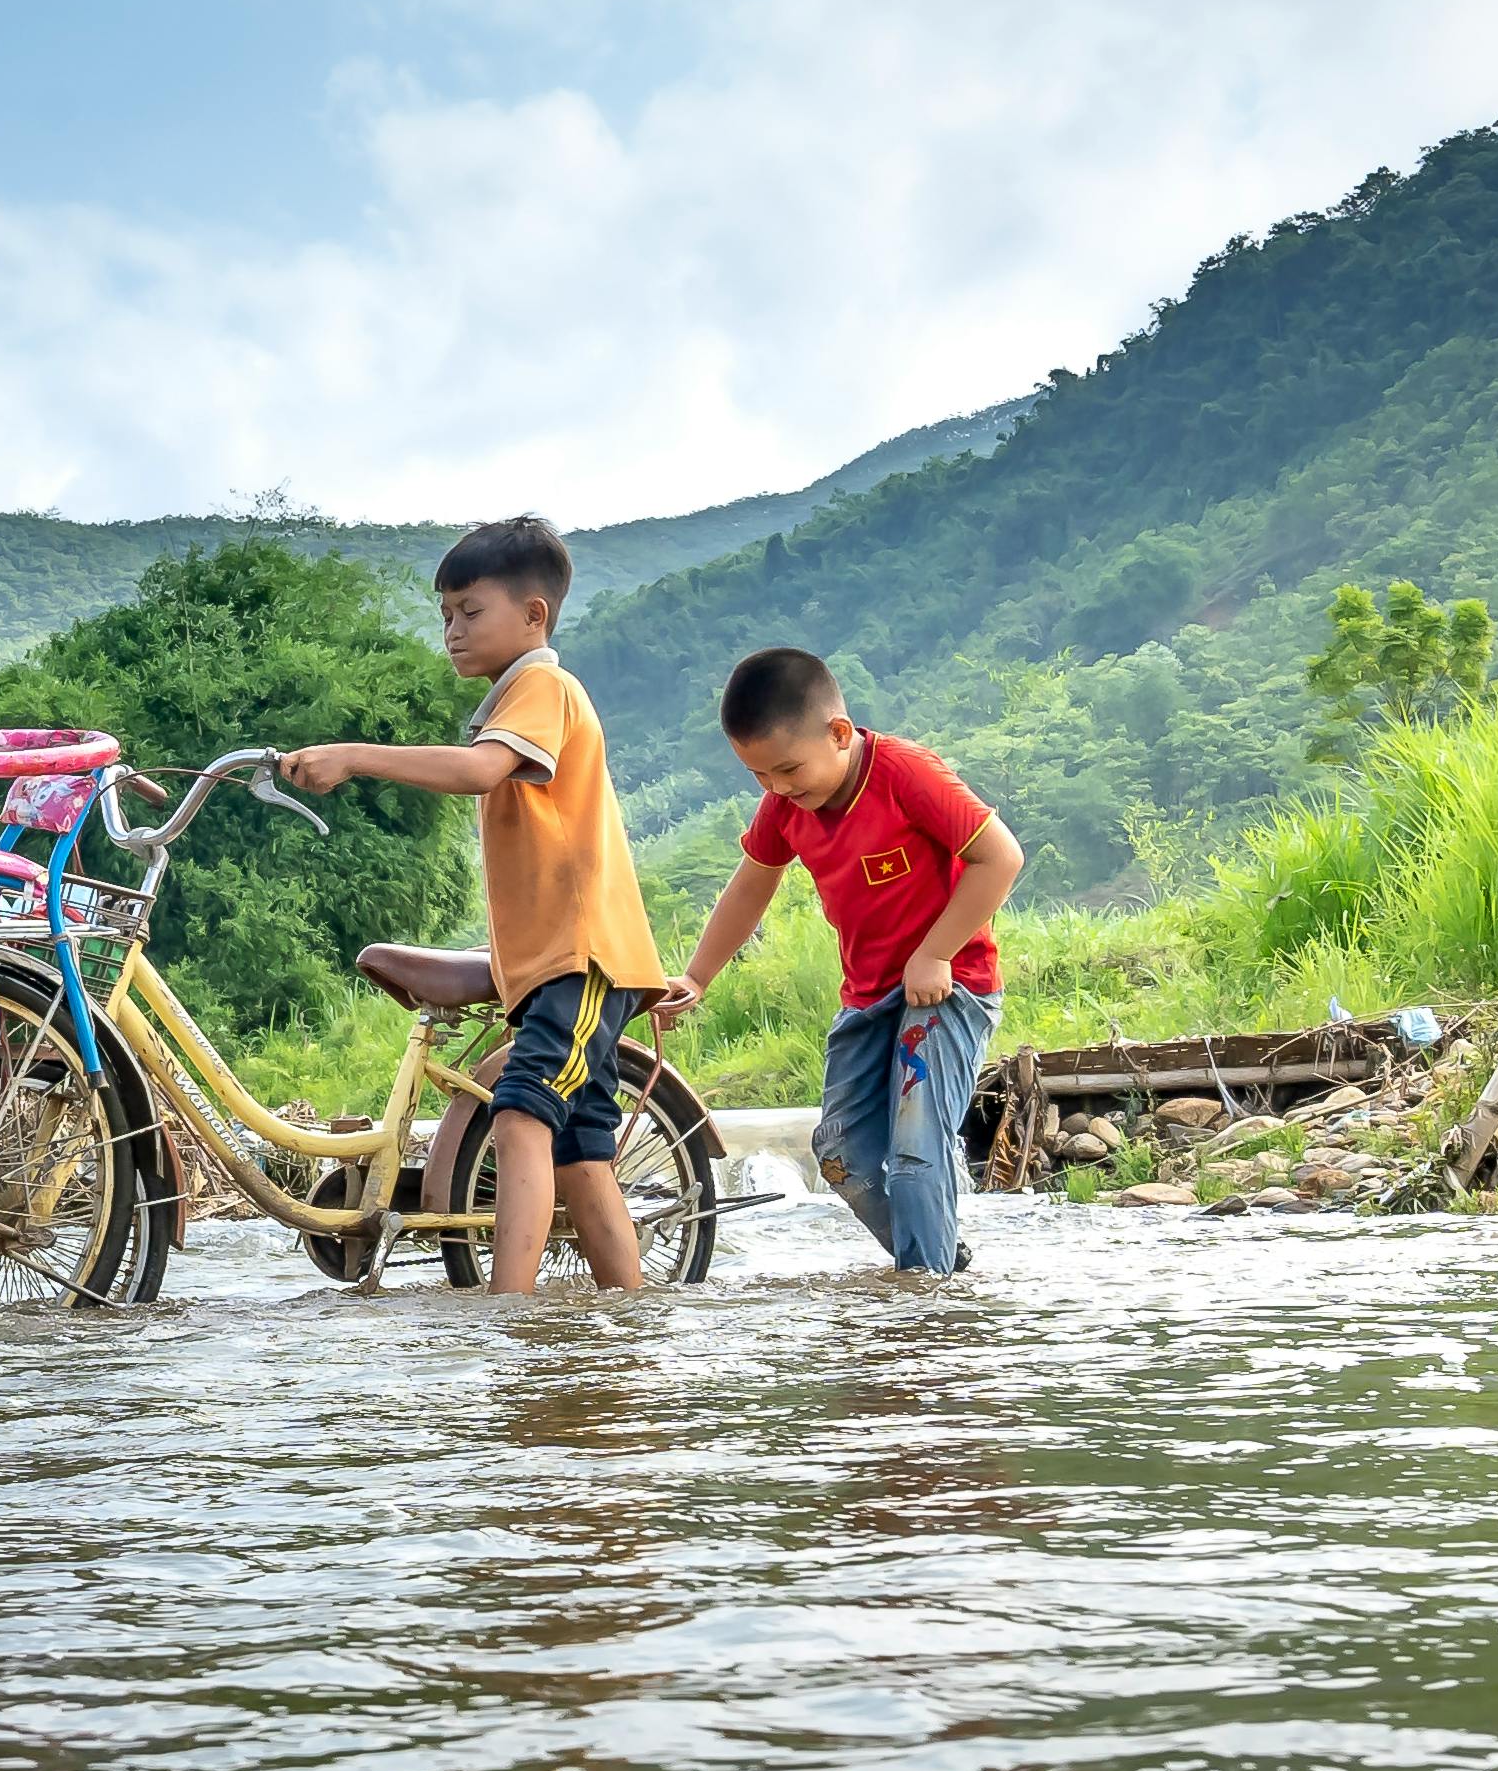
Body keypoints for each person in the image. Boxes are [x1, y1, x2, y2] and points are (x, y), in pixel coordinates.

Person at [285, 515, 668, 1303]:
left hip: (581, 954)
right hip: (560, 961)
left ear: (535, 614)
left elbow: (481, 769)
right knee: (582, 1154)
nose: (453, 631)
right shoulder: (517, 695)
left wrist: (354, 755)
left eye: (471, 610)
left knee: (524, 1118)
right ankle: (630, 1315)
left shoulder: (543, 687)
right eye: (445, 616)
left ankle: (510, 1314)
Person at [659, 647, 1022, 1276]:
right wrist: (697, 975)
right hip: (868, 996)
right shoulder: (786, 805)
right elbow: (752, 885)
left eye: (788, 770)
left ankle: (927, 1307)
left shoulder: (906, 774)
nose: (777, 789)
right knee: (839, 1156)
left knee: (916, 1155)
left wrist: (935, 953)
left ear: (839, 734)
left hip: (948, 987)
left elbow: (1001, 857)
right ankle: (939, 1268)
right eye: (760, 776)